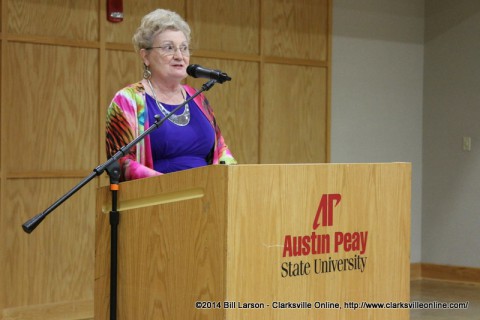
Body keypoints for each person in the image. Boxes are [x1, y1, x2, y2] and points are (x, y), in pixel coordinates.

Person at [105, 9, 236, 181]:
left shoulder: (198, 97)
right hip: (158, 199)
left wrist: (234, 175)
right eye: (169, 48)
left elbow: (221, 148)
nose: (179, 56)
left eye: (184, 48)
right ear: (146, 56)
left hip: (207, 197)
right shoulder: (127, 100)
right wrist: (172, 185)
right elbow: (121, 162)